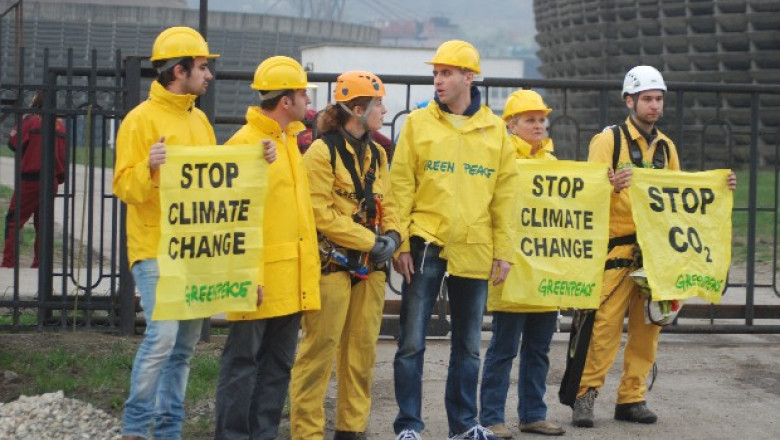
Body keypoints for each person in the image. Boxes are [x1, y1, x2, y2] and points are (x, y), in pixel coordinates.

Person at [571, 65, 737, 428]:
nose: (654, 106)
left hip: (656, 254)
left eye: (658, 99)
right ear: (629, 101)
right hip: (616, 252)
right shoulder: (608, 141)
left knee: (649, 329)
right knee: (605, 329)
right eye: (647, 99)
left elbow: (679, 196)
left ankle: (632, 397)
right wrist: (611, 186)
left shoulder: (666, 147)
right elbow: (587, 192)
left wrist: (720, 186)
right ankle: (586, 395)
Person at [390, 40, 519, 440]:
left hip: (475, 247)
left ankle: (464, 427)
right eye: (436, 73)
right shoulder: (417, 123)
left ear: (469, 77)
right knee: (411, 344)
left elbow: (506, 196)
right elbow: (400, 186)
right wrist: (399, 243)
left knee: (469, 347)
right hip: (425, 245)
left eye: (446, 73)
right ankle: (409, 427)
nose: (438, 80)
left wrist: (505, 251)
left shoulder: (496, 130)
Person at [112, 26, 220, 440]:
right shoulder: (139, 121)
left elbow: (218, 185)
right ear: (180, 70)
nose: (208, 74)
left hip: (194, 252)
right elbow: (125, 187)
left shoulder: (201, 121)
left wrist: (259, 157)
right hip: (154, 248)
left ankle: (169, 430)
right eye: (203, 66)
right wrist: (149, 166)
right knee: (163, 337)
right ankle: (136, 429)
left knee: (185, 346)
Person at [289, 70, 401, 440]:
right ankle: (307, 433)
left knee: (362, 353)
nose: (384, 110)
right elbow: (319, 213)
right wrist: (369, 241)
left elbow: (389, 200)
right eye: (378, 103)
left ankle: (351, 429)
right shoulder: (321, 153)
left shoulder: (377, 154)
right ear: (357, 108)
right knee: (318, 353)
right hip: (333, 265)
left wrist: (395, 235)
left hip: (370, 268)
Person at [214, 55, 321, 440]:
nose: (308, 102)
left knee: (278, 366)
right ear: (286, 101)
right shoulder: (245, 144)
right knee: (242, 364)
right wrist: (248, 276)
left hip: (289, 282)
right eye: (303, 95)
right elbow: (235, 220)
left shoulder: (289, 143)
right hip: (260, 283)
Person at [478, 90, 565, 438]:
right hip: (511, 268)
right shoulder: (502, 159)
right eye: (530, 120)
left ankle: (532, 414)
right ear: (510, 125)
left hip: (542, 271)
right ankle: (491, 417)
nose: (539, 125)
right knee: (503, 348)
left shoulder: (553, 163)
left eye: (541, 119)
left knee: (539, 350)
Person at [2, 91, 66, 268]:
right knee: (43, 222)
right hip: (51, 180)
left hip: (30, 179)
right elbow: (63, 155)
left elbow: (13, 143)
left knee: (14, 221)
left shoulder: (31, 121)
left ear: (36, 102)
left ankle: (8, 263)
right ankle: (40, 264)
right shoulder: (60, 125)